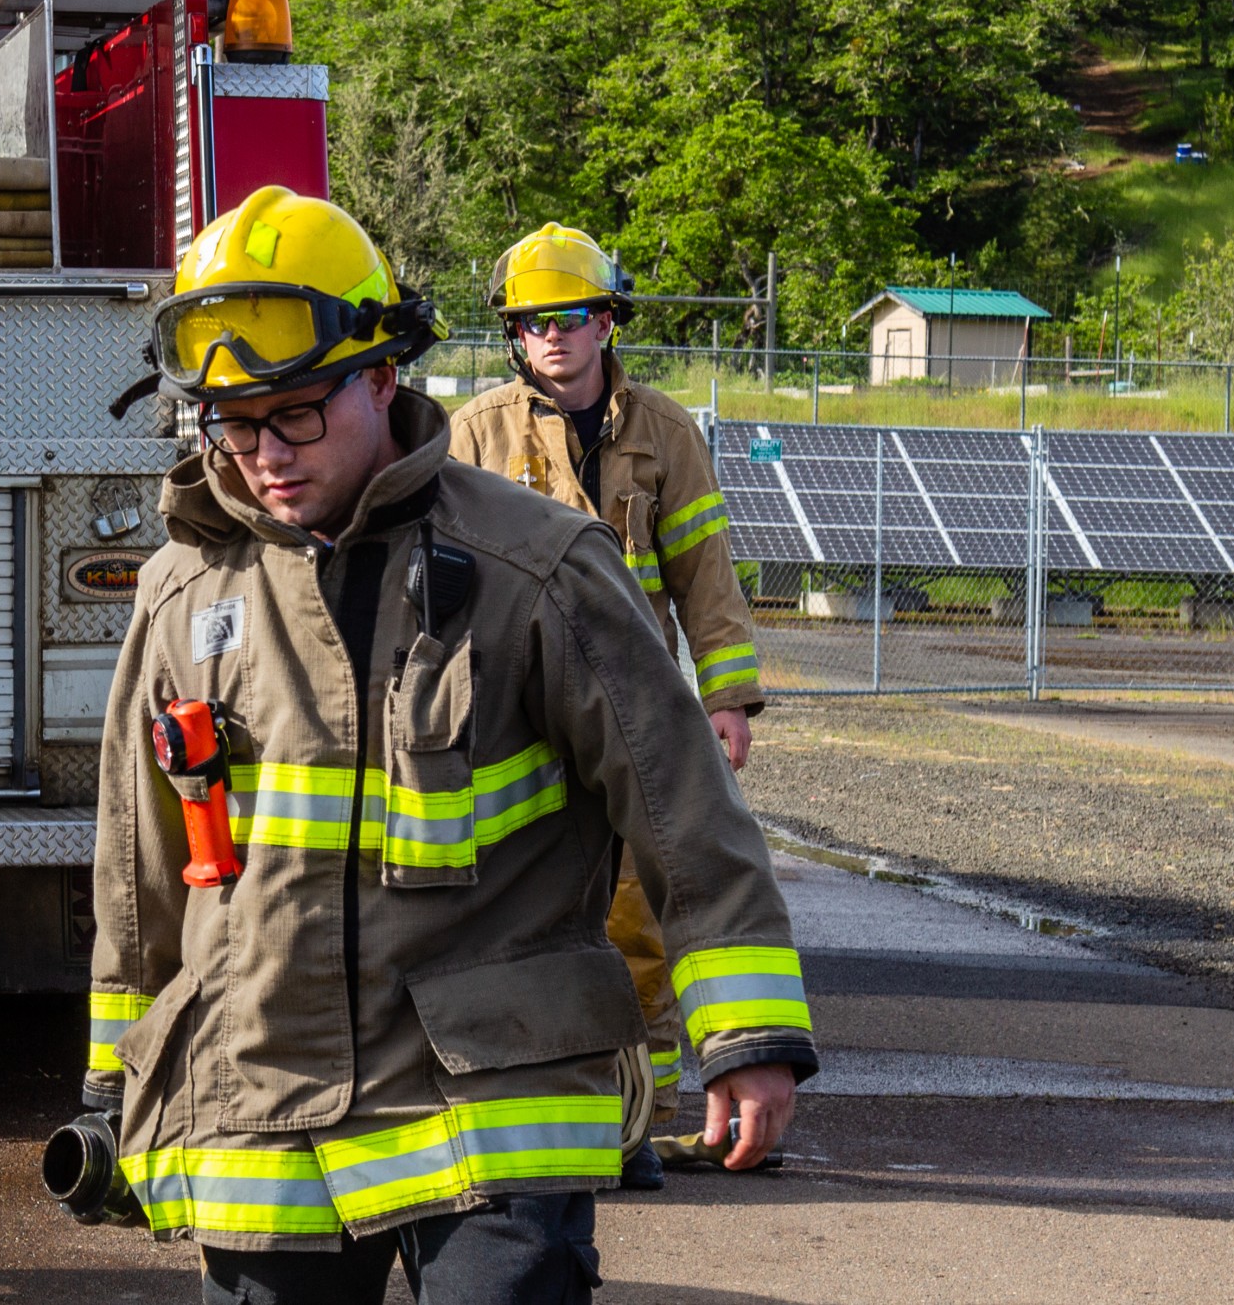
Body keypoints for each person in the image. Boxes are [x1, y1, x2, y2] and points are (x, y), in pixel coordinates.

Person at [83, 188, 815, 1304]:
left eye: (296, 413)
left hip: (488, 1101)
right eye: (231, 421)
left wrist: (747, 1029)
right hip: (258, 1114)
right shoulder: (183, 592)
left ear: (380, 375)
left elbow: (679, 805)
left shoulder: (536, 565)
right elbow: (139, 876)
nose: (263, 452)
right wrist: (111, 1079)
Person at [445, 221, 768, 1190]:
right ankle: (517, 1108)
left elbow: (705, 573)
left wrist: (728, 697)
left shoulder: (664, 432)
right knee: (511, 911)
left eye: (571, 315)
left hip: (633, 710)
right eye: (533, 319)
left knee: (635, 913)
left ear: (606, 319)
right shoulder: (474, 431)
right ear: (514, 330)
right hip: (506, 714)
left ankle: (635, 1123)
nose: (553, 334)